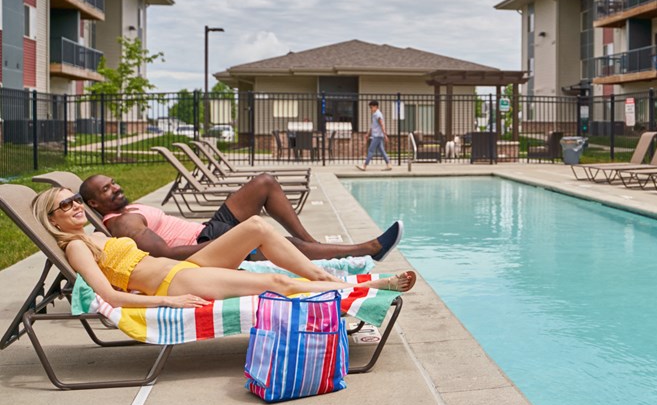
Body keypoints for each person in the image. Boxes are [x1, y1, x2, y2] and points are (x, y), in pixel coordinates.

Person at [34, 187, 416, 309]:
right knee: (273, 281)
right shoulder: (76, 249)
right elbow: (110, 298)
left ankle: (322, 274)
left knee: (255, 226)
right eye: (64, 205)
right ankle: (359, 289)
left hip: (184, 267)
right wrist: (168, 303)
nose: (75, 206)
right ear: (53, 220)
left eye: (76, 200)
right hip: (172, 284)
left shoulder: (96, 234)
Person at [80, 174, 402, 264]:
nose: (115, 188)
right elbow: (164, 254)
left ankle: (313, 245)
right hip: (205, 246)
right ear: (95, 202)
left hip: (207, 231)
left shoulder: (126, 211)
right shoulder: (122, 224)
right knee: (280, 244)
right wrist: (229, 244)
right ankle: (366, 249)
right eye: (106, 190)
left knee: (264, 184)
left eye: (113, 183)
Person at [356, 100, 392, 171]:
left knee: (370, 150)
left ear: (376, 107)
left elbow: (382, 124)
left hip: (377, 136)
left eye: (371, 107)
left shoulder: (377, 114)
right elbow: (373, 126)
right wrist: (368, 134)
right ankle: (388, 164)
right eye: (370, 107)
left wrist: (385, 135)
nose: (371, 109)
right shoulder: (375, 114)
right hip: (377, 135)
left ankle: (364, 166)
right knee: (381, 150)